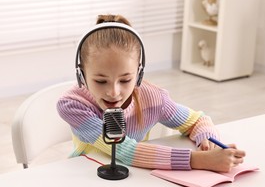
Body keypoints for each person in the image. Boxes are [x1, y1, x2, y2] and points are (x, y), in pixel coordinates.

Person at [57, 14, 246, 172]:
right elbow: (123, 150)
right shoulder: (72, 105)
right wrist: (201, 161)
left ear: (139, 74)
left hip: (138, 178)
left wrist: (207, 140)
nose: (113, 92)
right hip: (86, 179)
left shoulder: (153, 98)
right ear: (81, 74)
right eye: (100, 81)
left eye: (125, 80)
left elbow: (197, 120)